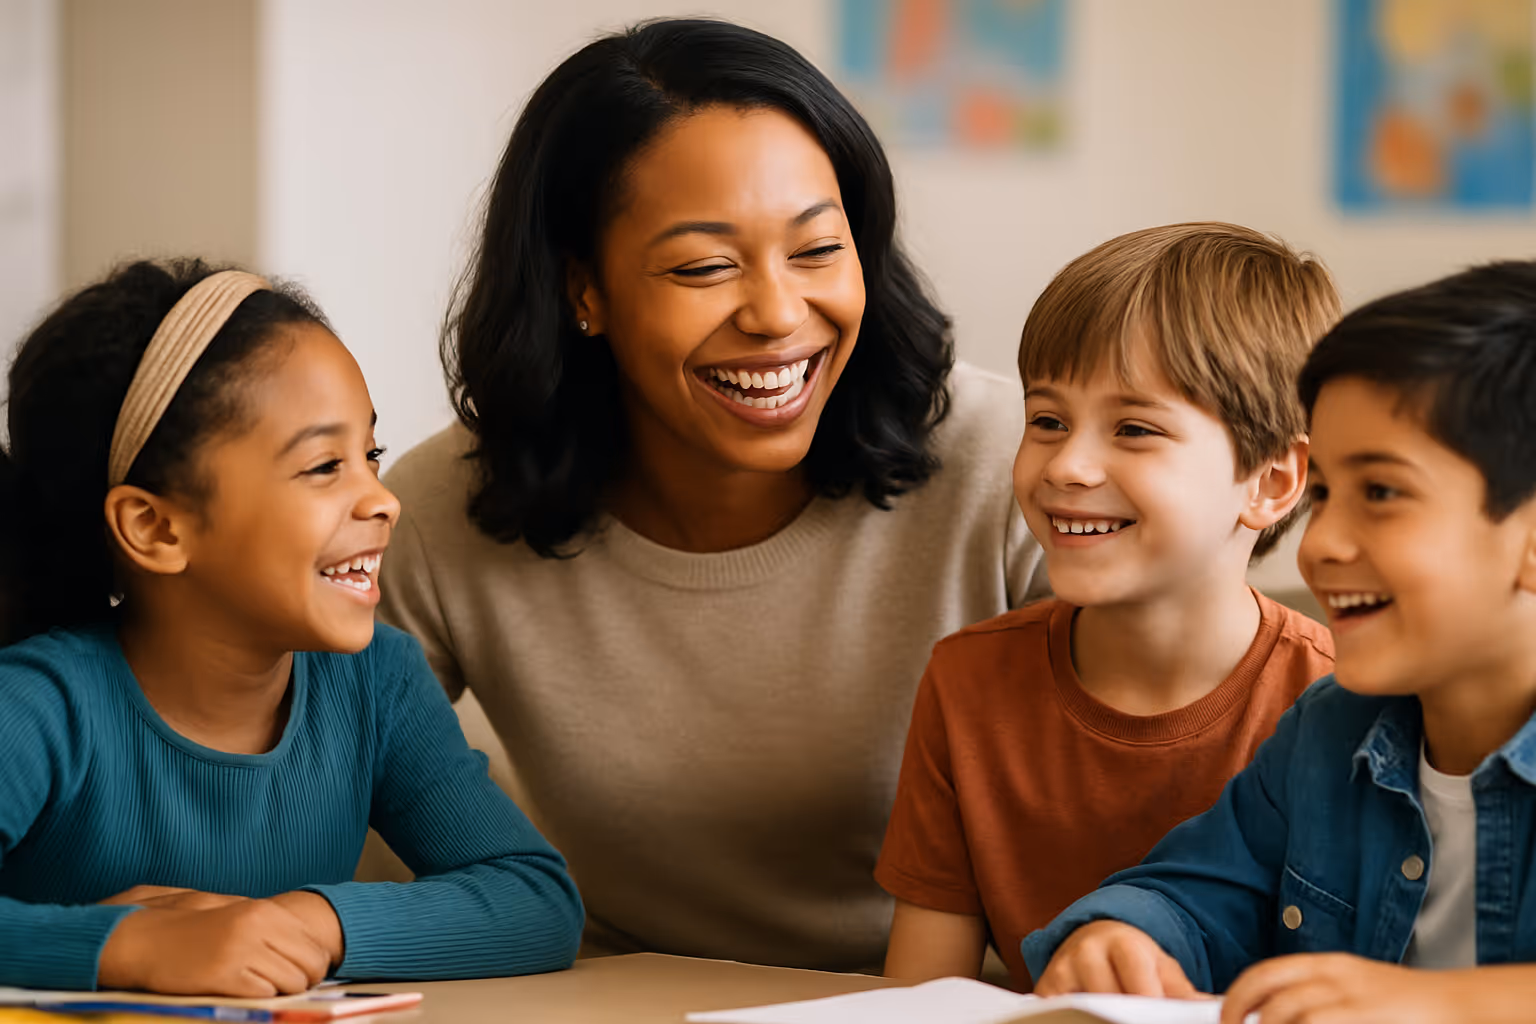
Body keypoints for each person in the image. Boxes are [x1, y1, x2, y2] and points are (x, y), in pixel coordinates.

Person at [377, 18, 1046, 972]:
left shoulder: (1017, 462)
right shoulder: (445, 509)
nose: (778, 314)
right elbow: (294, 763)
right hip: (614, 999)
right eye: (703, 266)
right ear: (582, 290)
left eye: (817, 249)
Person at [0, 260, 582, 993]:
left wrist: (306, 923)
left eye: (370, 455)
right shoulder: (36, 707)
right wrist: (126, 946)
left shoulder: (376, 682)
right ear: (154, 527)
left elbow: (535, 899)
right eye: (323, 466)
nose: (383, 500)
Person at [1024, 260, 1536, 1023]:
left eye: (1382, 492)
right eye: (1323, 492)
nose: (1320, 543)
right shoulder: (1328, 731)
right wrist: (1124, 934)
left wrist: (1445, 1004)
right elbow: (1199, 892)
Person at [878, 224, 1339, 988]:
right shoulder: (968, 682)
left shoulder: (1346, 706)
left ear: (1271, 481)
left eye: (1133, 429)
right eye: (1048, 421)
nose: (1068, 465)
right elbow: (922, 997)